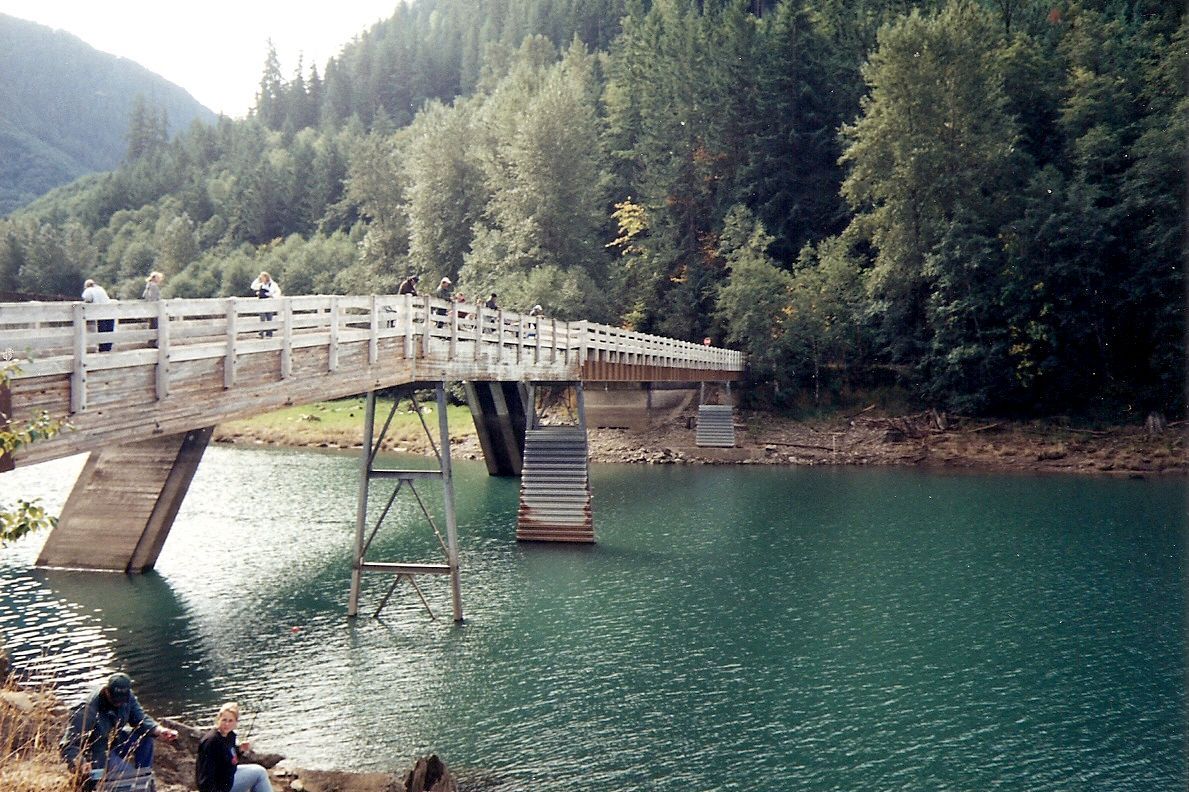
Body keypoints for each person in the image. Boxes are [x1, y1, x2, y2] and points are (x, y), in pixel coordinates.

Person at [60, 672, 178, 784]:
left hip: (115, 740)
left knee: (146, 737)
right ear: (106, 691)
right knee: (127, 775)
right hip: (97, 752)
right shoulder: (86, 711)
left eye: (122, 701)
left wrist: (160, 730)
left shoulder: (127, 697)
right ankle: (134, 782)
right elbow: (68, 746)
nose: (119, 704)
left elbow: (140, 719)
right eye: (115, 700)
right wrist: (81, 763)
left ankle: (144, 776)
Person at [195, 702, 271, 792]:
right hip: (220, 785)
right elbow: (205, 773)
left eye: (230, 721)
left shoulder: (229, 736)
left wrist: (239, 750)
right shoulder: (211, 741)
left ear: (235, 722)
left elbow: (228, 758)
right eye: (224, 720)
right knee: (259, 774)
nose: (227, 724)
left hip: (228, 775)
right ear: (218, 719)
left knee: (259, 770)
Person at [81, 279, 114, 352]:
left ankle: (102, 349)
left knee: (102, 330)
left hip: (101, 312)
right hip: (110, 311)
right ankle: (108, 349)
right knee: (109, 330)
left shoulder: (88, 290)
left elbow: (87, 299)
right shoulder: (100, 288)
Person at [250, 272, 280, 337]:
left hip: (269, 303)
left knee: (269, 318)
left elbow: (278, 292)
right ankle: (261, 333)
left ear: (266, 277)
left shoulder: (273, 284)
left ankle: (269, 334)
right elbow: (252, 286)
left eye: (262, 277)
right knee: (262, 318)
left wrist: (273, 296)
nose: (261, 279)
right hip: (262, 304)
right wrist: (257, 279)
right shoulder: (261, 284)